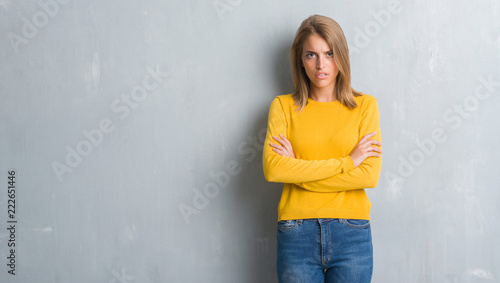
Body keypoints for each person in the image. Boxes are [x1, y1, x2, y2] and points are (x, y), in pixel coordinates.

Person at [262, 14, 383, 283]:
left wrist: (299, 173)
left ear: (341, 56)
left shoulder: (365, 107)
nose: (321, 64)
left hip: (351, 232)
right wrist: (348, 162)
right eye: (311, 55)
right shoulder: (282, 107)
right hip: (296, 233)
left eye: (329, 53)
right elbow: (273, 170)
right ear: (300, 60)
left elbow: (369, 176)